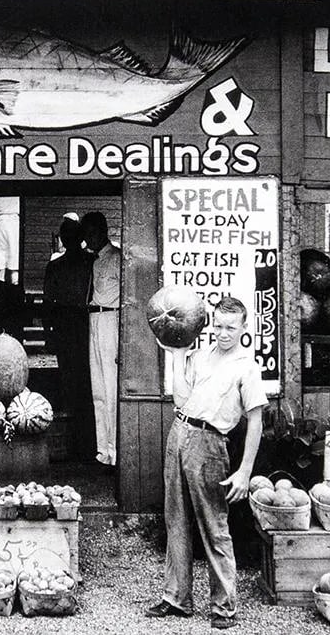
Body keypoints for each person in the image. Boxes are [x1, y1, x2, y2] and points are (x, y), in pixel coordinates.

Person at [146, 296, 267, 630]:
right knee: (176, 520)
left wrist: (244, 472)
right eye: (218, 325)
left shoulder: (247, 366)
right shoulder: (200, 356)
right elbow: (181, 399)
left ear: (245, 328)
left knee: (214, 526)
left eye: (231, 327)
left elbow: (255, 422)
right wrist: (178, 355)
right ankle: (176, 599)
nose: (223, 333)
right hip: (180, 431)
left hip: (211, 443)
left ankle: (224, 607)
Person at [42, 216, 95, 462]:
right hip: (77, 325)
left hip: (77, 324)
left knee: (74, 382)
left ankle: (79, 442)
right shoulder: (87, 263)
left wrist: (48, 331)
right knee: (82, 383)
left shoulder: (86, 263)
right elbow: (48, 302)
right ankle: (80, 442)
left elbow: (47, 303)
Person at [82, 210, 120, 469]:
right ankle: (102, 450)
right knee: (98, 389)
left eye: (89, 233)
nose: (87, 239)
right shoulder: (94, 261)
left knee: (110, 387)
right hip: (94, 319)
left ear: (101, 231)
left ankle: (115, 450)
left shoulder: (117, 258)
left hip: (111, 320)